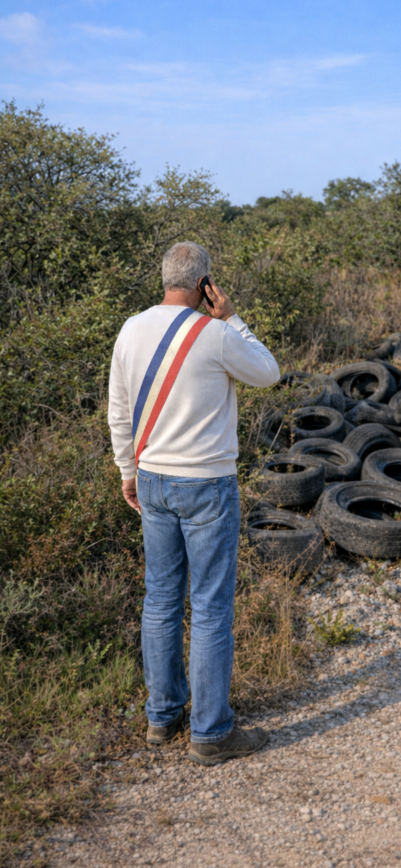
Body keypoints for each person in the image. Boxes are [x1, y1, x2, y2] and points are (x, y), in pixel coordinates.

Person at [108, 241, 280, 766]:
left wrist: (127, 473)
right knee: (209, 608)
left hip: (154, 479)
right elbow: (269, 373)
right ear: (206, 284)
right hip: (206, 484)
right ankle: (210, 733)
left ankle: (163, 719)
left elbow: (118, 410)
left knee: (160, 601)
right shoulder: (216, 334)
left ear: (163, 278)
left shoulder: (130, 329)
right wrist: (233, 318)